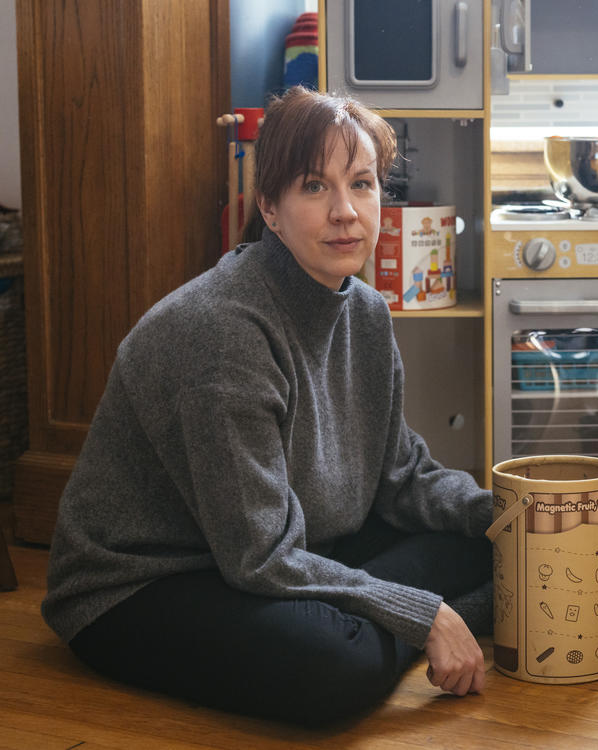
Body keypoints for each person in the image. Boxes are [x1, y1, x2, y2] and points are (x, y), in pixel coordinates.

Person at [41, 86, 493, 726]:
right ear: (271, 210)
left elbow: (402, 476)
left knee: (479, 540)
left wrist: (506, 516)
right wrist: (424, 613)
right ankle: (425, 628)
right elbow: (258, 556)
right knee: (335, 669)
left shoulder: (362, 310)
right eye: (315, 187)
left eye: (361, 184)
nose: (345, 211)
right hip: (146, 584)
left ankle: (405, 623)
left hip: (281, 547)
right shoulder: (222, 330)